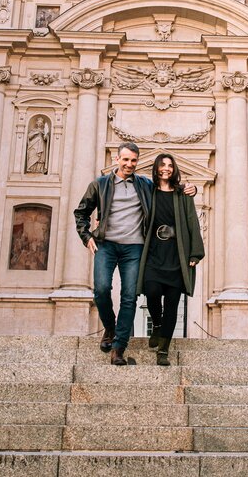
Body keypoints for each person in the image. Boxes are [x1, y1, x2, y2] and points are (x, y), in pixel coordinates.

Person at [74, 142, 196, 365]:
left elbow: (167, 186)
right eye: (125, 159)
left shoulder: (144, 185)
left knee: (130, 296)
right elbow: (81, 212)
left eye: (133, 160)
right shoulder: (100, 185)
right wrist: (87, 237)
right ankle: (110, 328)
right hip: (106, 244)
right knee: (101, 290)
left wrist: (190, 188)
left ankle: (119, 347)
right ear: (117, 159)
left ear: (137, 162)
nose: (129, 164)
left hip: (135, 247)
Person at [137, 153, 204, 366]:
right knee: (153, 291)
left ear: (174, 169)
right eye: (162, 165)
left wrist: (195, 253)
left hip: (177, 254)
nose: (166, 168)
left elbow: (192, 221)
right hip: (154, 252)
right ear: (156, 168)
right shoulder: (148, 192)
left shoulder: (182, 193)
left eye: (169, 165)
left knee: (173, 305)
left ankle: (163, 350)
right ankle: (156, 324)